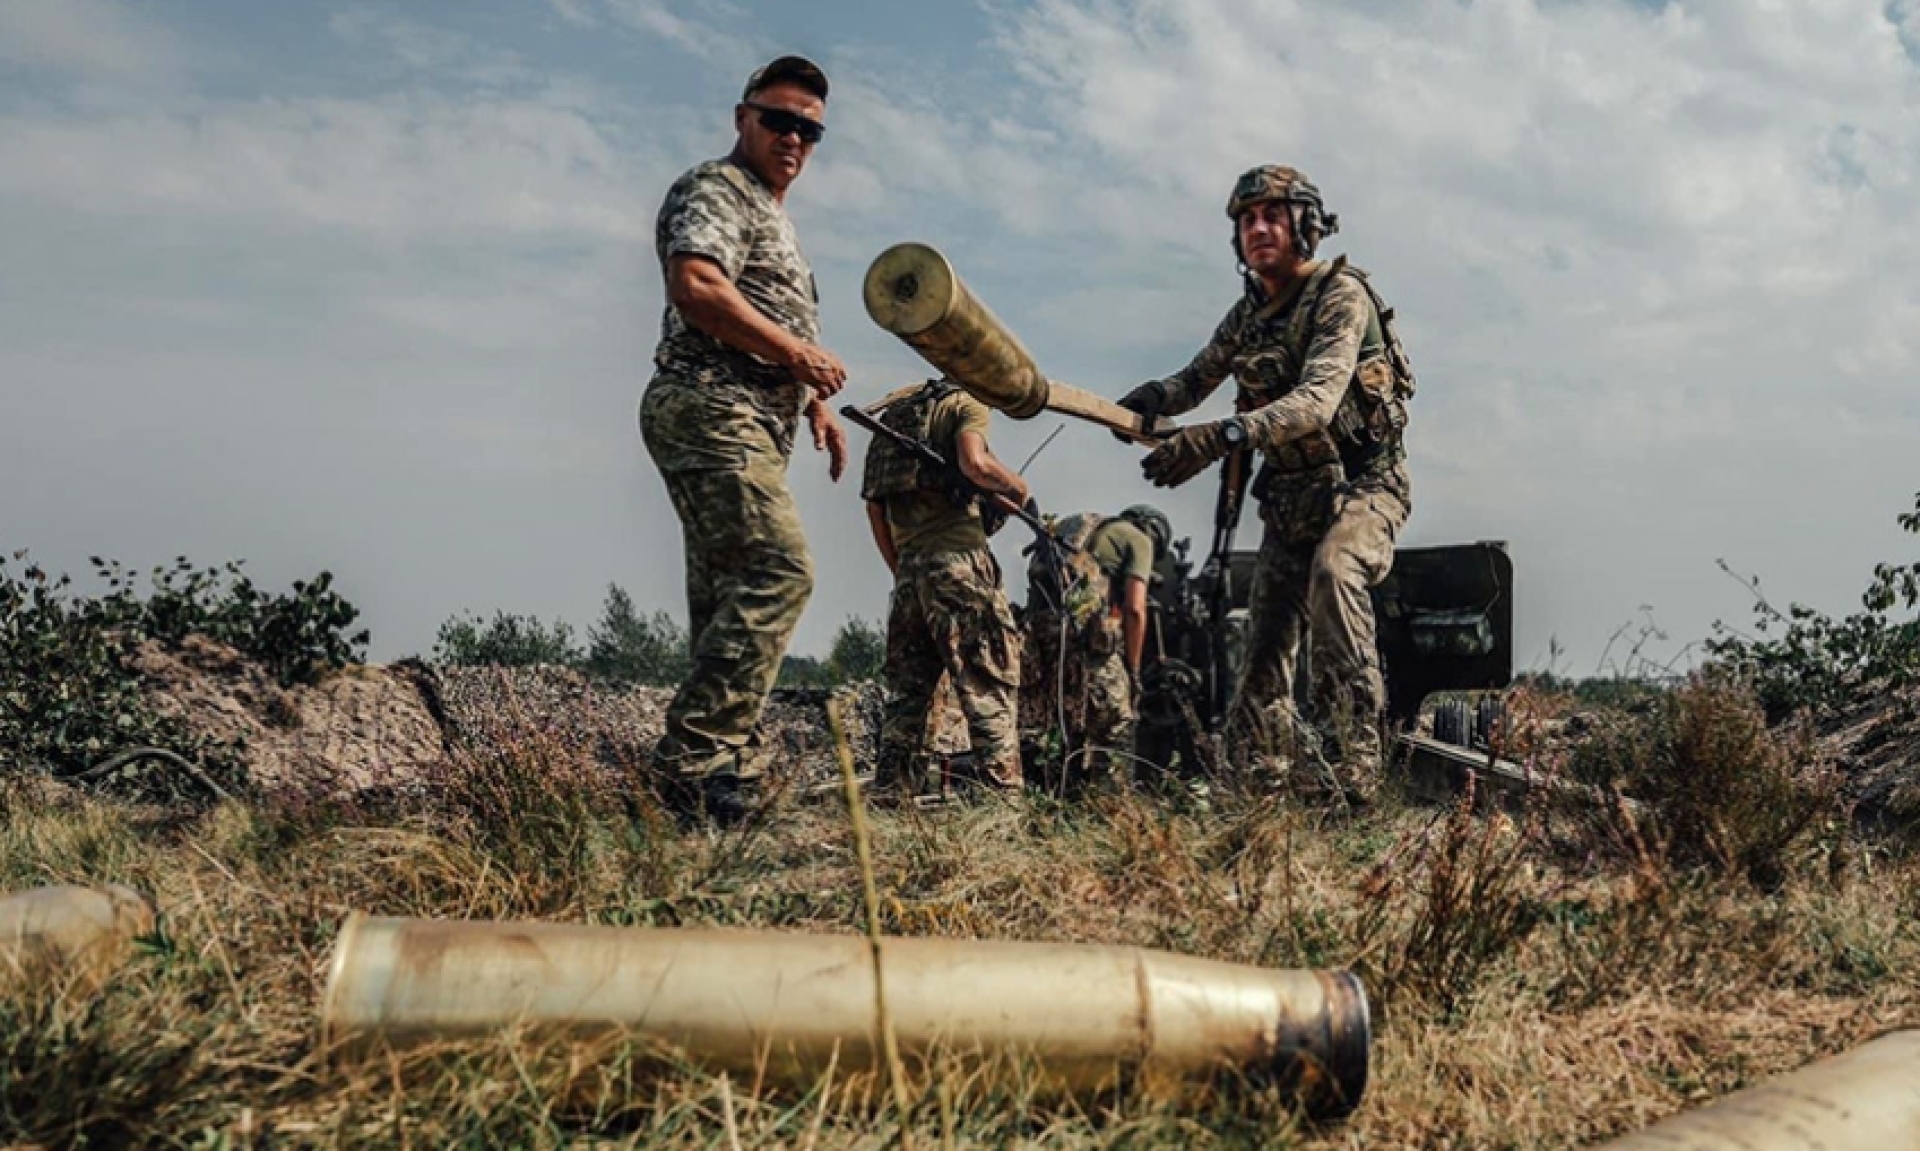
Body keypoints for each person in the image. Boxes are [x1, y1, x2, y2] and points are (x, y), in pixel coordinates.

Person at [1118, 165, 1415, 803]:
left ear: (1305, 224)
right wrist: (1146, 403)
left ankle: (1352, 773)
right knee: (1263, 651)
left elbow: (1313, 403)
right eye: (1246, 220)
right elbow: (1194, 380)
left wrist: (1215, 437)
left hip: (1364, 486)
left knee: (1336, 573)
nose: (1257, 228)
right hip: (1292, 498)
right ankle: (1256, 784)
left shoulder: (1341, 296)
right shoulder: (1248, 314)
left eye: (1272, 216)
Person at [638, 55, 849, 824]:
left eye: (810, 129)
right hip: (707, 402)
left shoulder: (772, 216)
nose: (794, 137)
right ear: (742, 117)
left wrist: (810, 400)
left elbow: (772, 323)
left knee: (728, 597)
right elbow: (696, 285)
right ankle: (689, 759)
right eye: (779, 119)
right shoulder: (716, 190)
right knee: (778, 569)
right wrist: (796, 356)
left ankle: (721, 779)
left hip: (751, 416)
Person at [861, 379, 1030, 799]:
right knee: (988, 683)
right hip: (959, 565)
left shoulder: (895, 417)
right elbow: (974, 463)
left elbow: (874, 508)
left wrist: (903, 569)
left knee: (907, 697)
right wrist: (1018, 488)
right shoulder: (966, 403)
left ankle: (892, 797)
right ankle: (1001, 807)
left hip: (909, 573)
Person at [1020, 504, 1170, 794]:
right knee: (1114, 727)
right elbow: (1135, 609)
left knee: (1063, 730)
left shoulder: (1076, 525)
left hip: (1043, 643)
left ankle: (1056, 803)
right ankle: (1106, 809)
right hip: (1088, 646)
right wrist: (1134, 670)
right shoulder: (1139, 539)